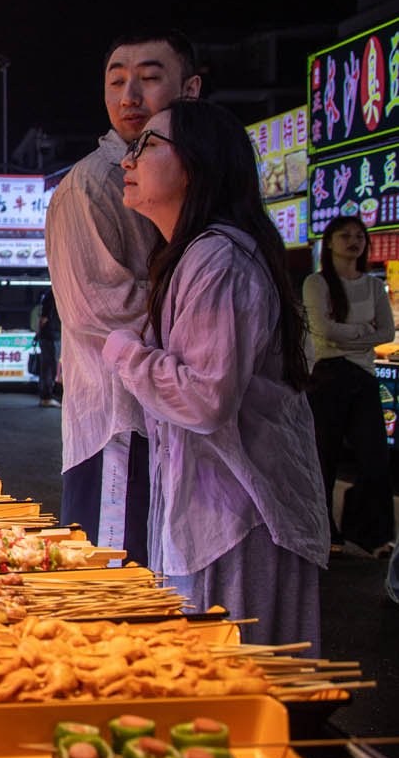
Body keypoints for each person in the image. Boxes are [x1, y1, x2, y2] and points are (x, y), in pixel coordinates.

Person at [102, 99, 329, 648]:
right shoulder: (194, 255)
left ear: (196, 165)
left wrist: (121, 349)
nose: (128, 161)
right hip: (212, 515)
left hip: (237, 520)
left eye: (147, 146)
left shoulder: (217, 259)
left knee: (238, 690)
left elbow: (204, 399)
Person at [46, 30, 202, 565]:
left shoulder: (194, 179)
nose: (129, 95)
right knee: (116, 585)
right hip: (120, 422)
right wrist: (208, 344)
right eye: (116, 81)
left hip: (180, 422)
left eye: (150, 78)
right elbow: (105, 313)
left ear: (192, 88)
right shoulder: (91, 187)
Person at [301, 216, 396, 556]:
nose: (354, 241)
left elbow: (386, 332)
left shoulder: (372, 286)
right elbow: (324, 331)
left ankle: (372, 534)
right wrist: (362, 334)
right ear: (329, 242)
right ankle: (326, 532)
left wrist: (349, 335)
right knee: (323, 459)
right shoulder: (317, 283)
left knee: (375, 458)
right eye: (345, 235)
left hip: (364, 378)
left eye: (359, 236)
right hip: (328, 377)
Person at [36, 288, 60, 407]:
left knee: (47, 367)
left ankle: (46, 396)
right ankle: (46, 397)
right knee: (50, 367)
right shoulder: (52, 294)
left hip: (49, 336)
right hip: (51, 336)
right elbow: (43, 318)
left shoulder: (48, 294)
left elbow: (42, 318)